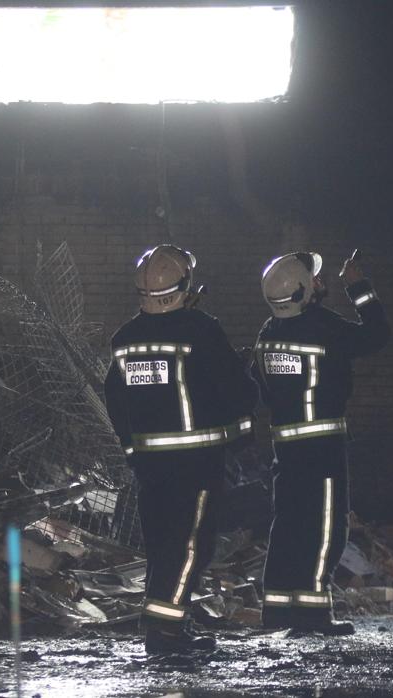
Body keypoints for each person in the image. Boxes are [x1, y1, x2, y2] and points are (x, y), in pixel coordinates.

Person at [103, 244, 258, 654]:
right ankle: (167, 632)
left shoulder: (124, 338)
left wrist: (131, 449)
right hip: (196, 463)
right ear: (184, 284)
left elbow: (115, 399)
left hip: (149, 466)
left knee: (161, 544)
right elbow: (236, 392)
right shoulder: (200, 330)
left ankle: (162, 623)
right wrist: (246, 382)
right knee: (191, 545)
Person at [251, 249, 390, 635]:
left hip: (285, 448)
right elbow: (377, 335)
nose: (318, 280)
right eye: (312, 278)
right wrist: (359, 288)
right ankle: (312, 612)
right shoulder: (324, 327)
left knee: (288, 524)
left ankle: (276, 608)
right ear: (301, 291)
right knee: (327, 526)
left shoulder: (268, 333)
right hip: (323, 447)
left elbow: (260, 387)